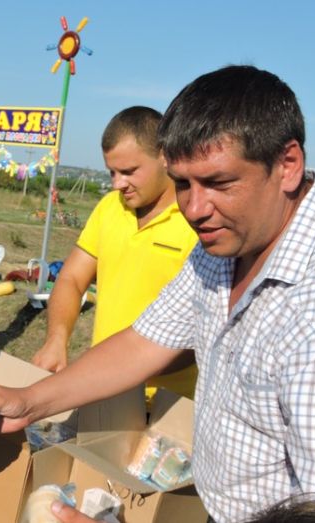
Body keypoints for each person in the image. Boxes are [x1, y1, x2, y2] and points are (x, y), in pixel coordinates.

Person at [0, 65, 315, 522]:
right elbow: (147, 341)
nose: (194, 208)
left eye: (219, 182)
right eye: (182, 183)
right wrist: (32, 401)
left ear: (287, 165)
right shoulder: (229, 241)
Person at [31, 106, 199, 400]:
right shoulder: (109, 207)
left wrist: (122, 369)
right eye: (112, 172)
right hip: (106, 391)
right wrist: (56, 340)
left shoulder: (197, 219)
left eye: (129, 171)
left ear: (165, 155)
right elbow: (70, 278)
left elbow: (202, 330)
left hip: (171, 404)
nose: (117, 183)